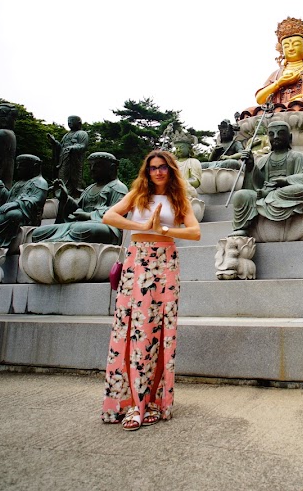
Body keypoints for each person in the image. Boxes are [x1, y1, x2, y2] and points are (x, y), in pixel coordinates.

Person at [100, 150, 201, 430]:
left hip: (165, 263)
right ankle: (131, 402)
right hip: (137, 262)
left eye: (163, 167)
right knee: (133, 329)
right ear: (146, 171)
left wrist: (165, 230)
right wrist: (142, 225)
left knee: (160, 331)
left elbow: (194, 232)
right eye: (153, 168)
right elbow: (109, 216)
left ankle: (153, 402)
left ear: (171, 170)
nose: (157, 172)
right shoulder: (137, 196)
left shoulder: (179, 200)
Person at [229, 121, 303, 236]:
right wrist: (250, 165)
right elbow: (256, 185)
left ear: (289, 137)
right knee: (241, 195)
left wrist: (285, 181)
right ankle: (241, 227)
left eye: (280, 133)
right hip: (265, 192)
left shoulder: (297, 156)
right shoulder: (264, 159)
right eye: (271, 134)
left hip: (284, 191)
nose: (275, 137)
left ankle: (269, 198)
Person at [30, 152, 128, 244]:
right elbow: (77, 209)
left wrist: (89, 216)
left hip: (105, 227)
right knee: (38, 232)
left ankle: (62, 239)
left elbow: (118, 214)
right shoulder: (89, 188)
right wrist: (65, 199)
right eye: (90, 166)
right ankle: (62, 239)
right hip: (79, 225)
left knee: (85, 229)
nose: (92, 169)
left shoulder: (118, 187)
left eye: (97, 165)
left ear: (112, 168)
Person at [47, 115, 90, 197]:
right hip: (63, 160)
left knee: (72, 180)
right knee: (61, 178)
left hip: (73, 161)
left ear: (79, 123)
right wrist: (54, 142)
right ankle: (60, 193)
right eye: (68, 121)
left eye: (72, 120)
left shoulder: (82, 133)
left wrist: (72, 148)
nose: (69, 122)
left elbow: (83, 146)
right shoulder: (66, 135)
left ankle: (71, 194)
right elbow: (61, 148)